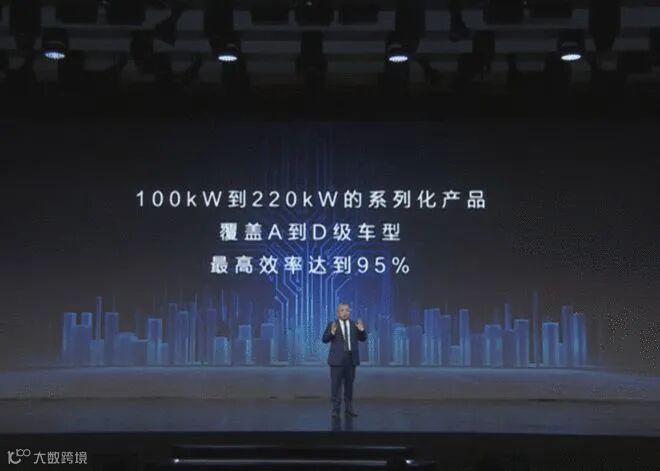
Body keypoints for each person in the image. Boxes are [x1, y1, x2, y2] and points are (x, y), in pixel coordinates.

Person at [321, 303, 367, 418]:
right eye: (342, 310)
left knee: (349, 385)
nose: (345, 312)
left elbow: (363, 338)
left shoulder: (354, 324)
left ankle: (349, 408)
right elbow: (324, 339)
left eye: (347, 310)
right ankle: (336, 409)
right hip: (336, 361)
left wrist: (361, 330)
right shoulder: (332, 324)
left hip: (351, 360)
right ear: (338, 312)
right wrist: (332, 332)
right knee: (336, 386)